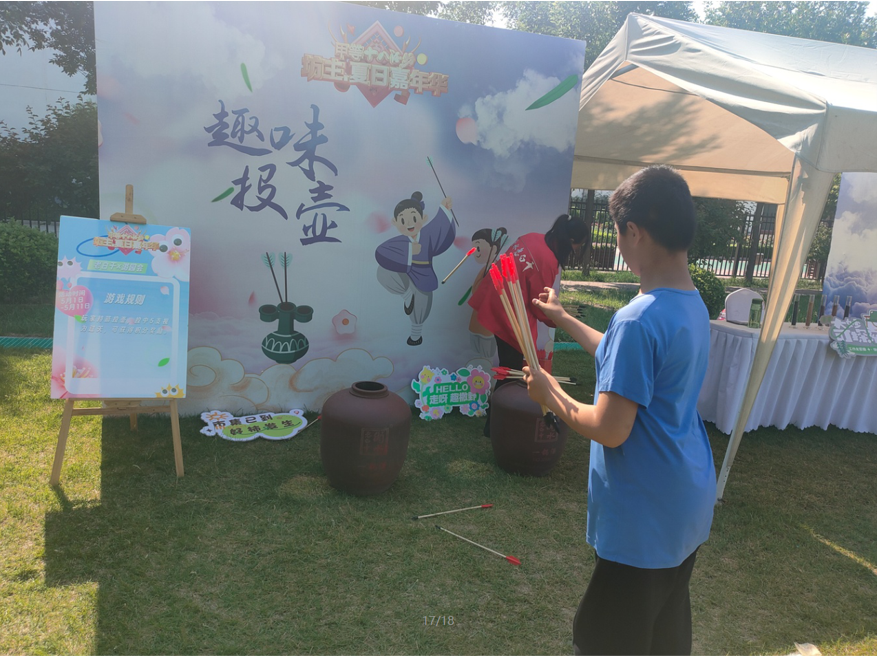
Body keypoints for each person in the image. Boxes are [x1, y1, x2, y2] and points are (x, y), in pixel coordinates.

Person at [522, 166, 716, 656]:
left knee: (604, 640)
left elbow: (610, 429)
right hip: (683, 501)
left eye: (618, 235)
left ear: (634, 231)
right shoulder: (689, 303)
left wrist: (550, 394)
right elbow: (623, 359)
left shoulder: (638, 319)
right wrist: (563, 318)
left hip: (644, 514)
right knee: (662, 637)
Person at [468, 214, 588, 435]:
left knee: (510, 368)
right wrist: (557, 319)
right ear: (571, 241)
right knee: (511, 370)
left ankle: (496, 421)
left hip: (498, 300)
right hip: (509, 312)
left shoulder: (532, 237)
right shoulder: (548, 260)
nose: (575, 251)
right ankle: (494, 425)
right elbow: (538, 305)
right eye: (577, 247)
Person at [375, 191, 456, 346]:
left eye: (414, 218)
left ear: (423, 218)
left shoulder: (428, 235)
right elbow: (381, 252)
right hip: (403, 276)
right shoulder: (398, 242)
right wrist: (410, 251)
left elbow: (440, 227)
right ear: (395, 222)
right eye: (403, 220)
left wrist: (444, 209)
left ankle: (415, 334)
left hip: (424, 275)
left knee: (422, 303)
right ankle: (407, 295)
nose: (409, 224)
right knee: (383, 271)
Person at [467, 226, 508, 361]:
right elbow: (476, 292)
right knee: (477, 357)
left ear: (494, 248)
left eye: (478, 248)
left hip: (487, 326)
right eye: (473, 248)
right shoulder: (485, 269)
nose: (475, 252)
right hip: (476, 324)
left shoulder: (496, 270)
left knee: (486, 359)